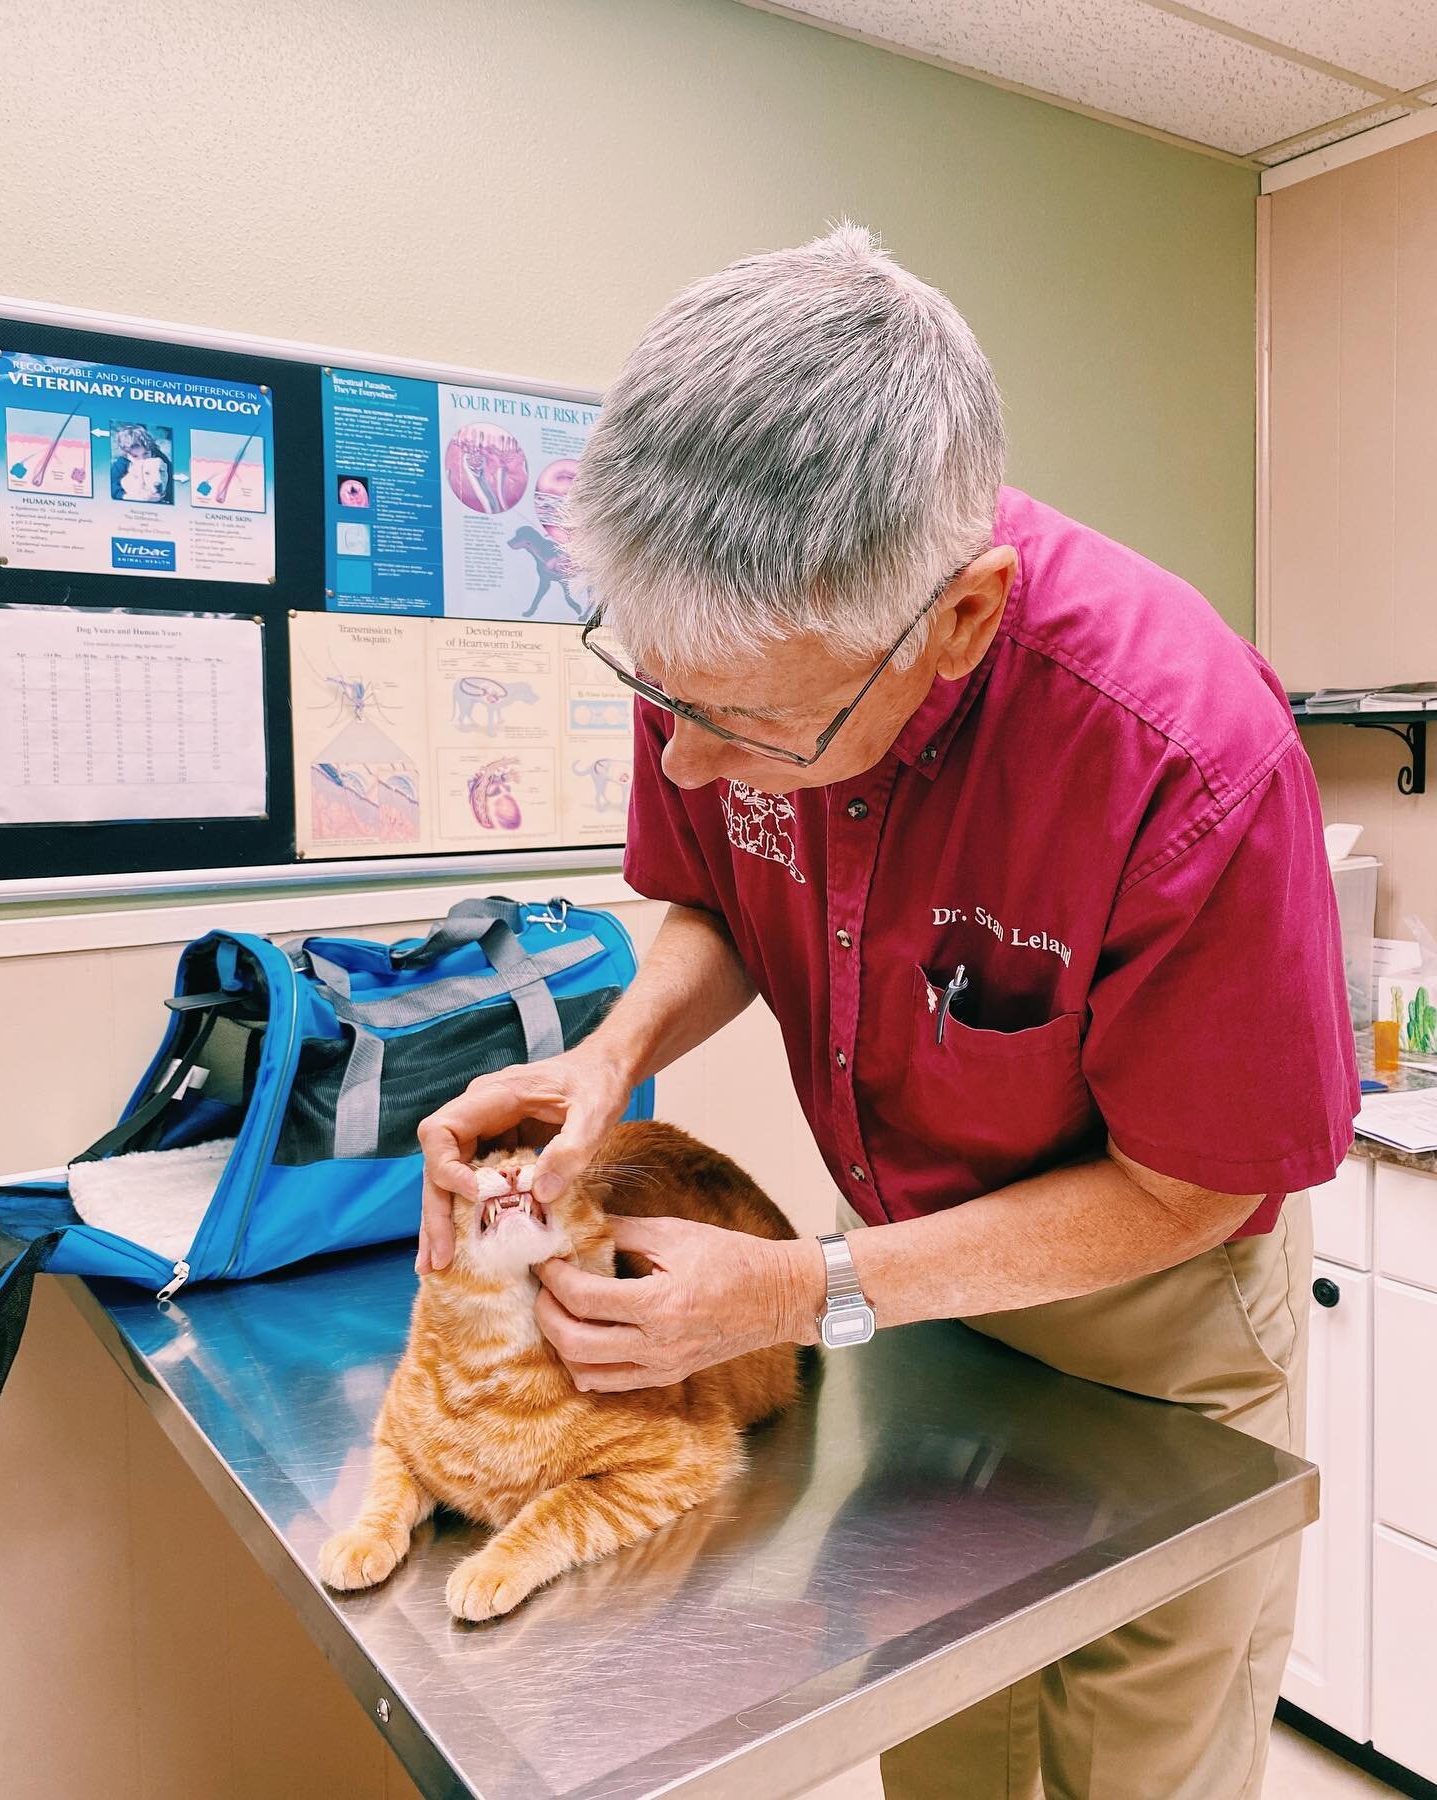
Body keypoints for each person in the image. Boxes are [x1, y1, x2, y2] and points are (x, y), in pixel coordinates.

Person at [416, 225, 1357, 1799]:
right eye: (665, 706)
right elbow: (715, 894)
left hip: (1156, 1313)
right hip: (908, 1294)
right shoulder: (750, 674)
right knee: (944, 1730)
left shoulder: (1189, 758)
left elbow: (1191, 1188)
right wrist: (611, 1059)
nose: (691, 768)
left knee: (1138, 1757)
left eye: (750, 728)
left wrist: (799, 1293)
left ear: (964, 620)